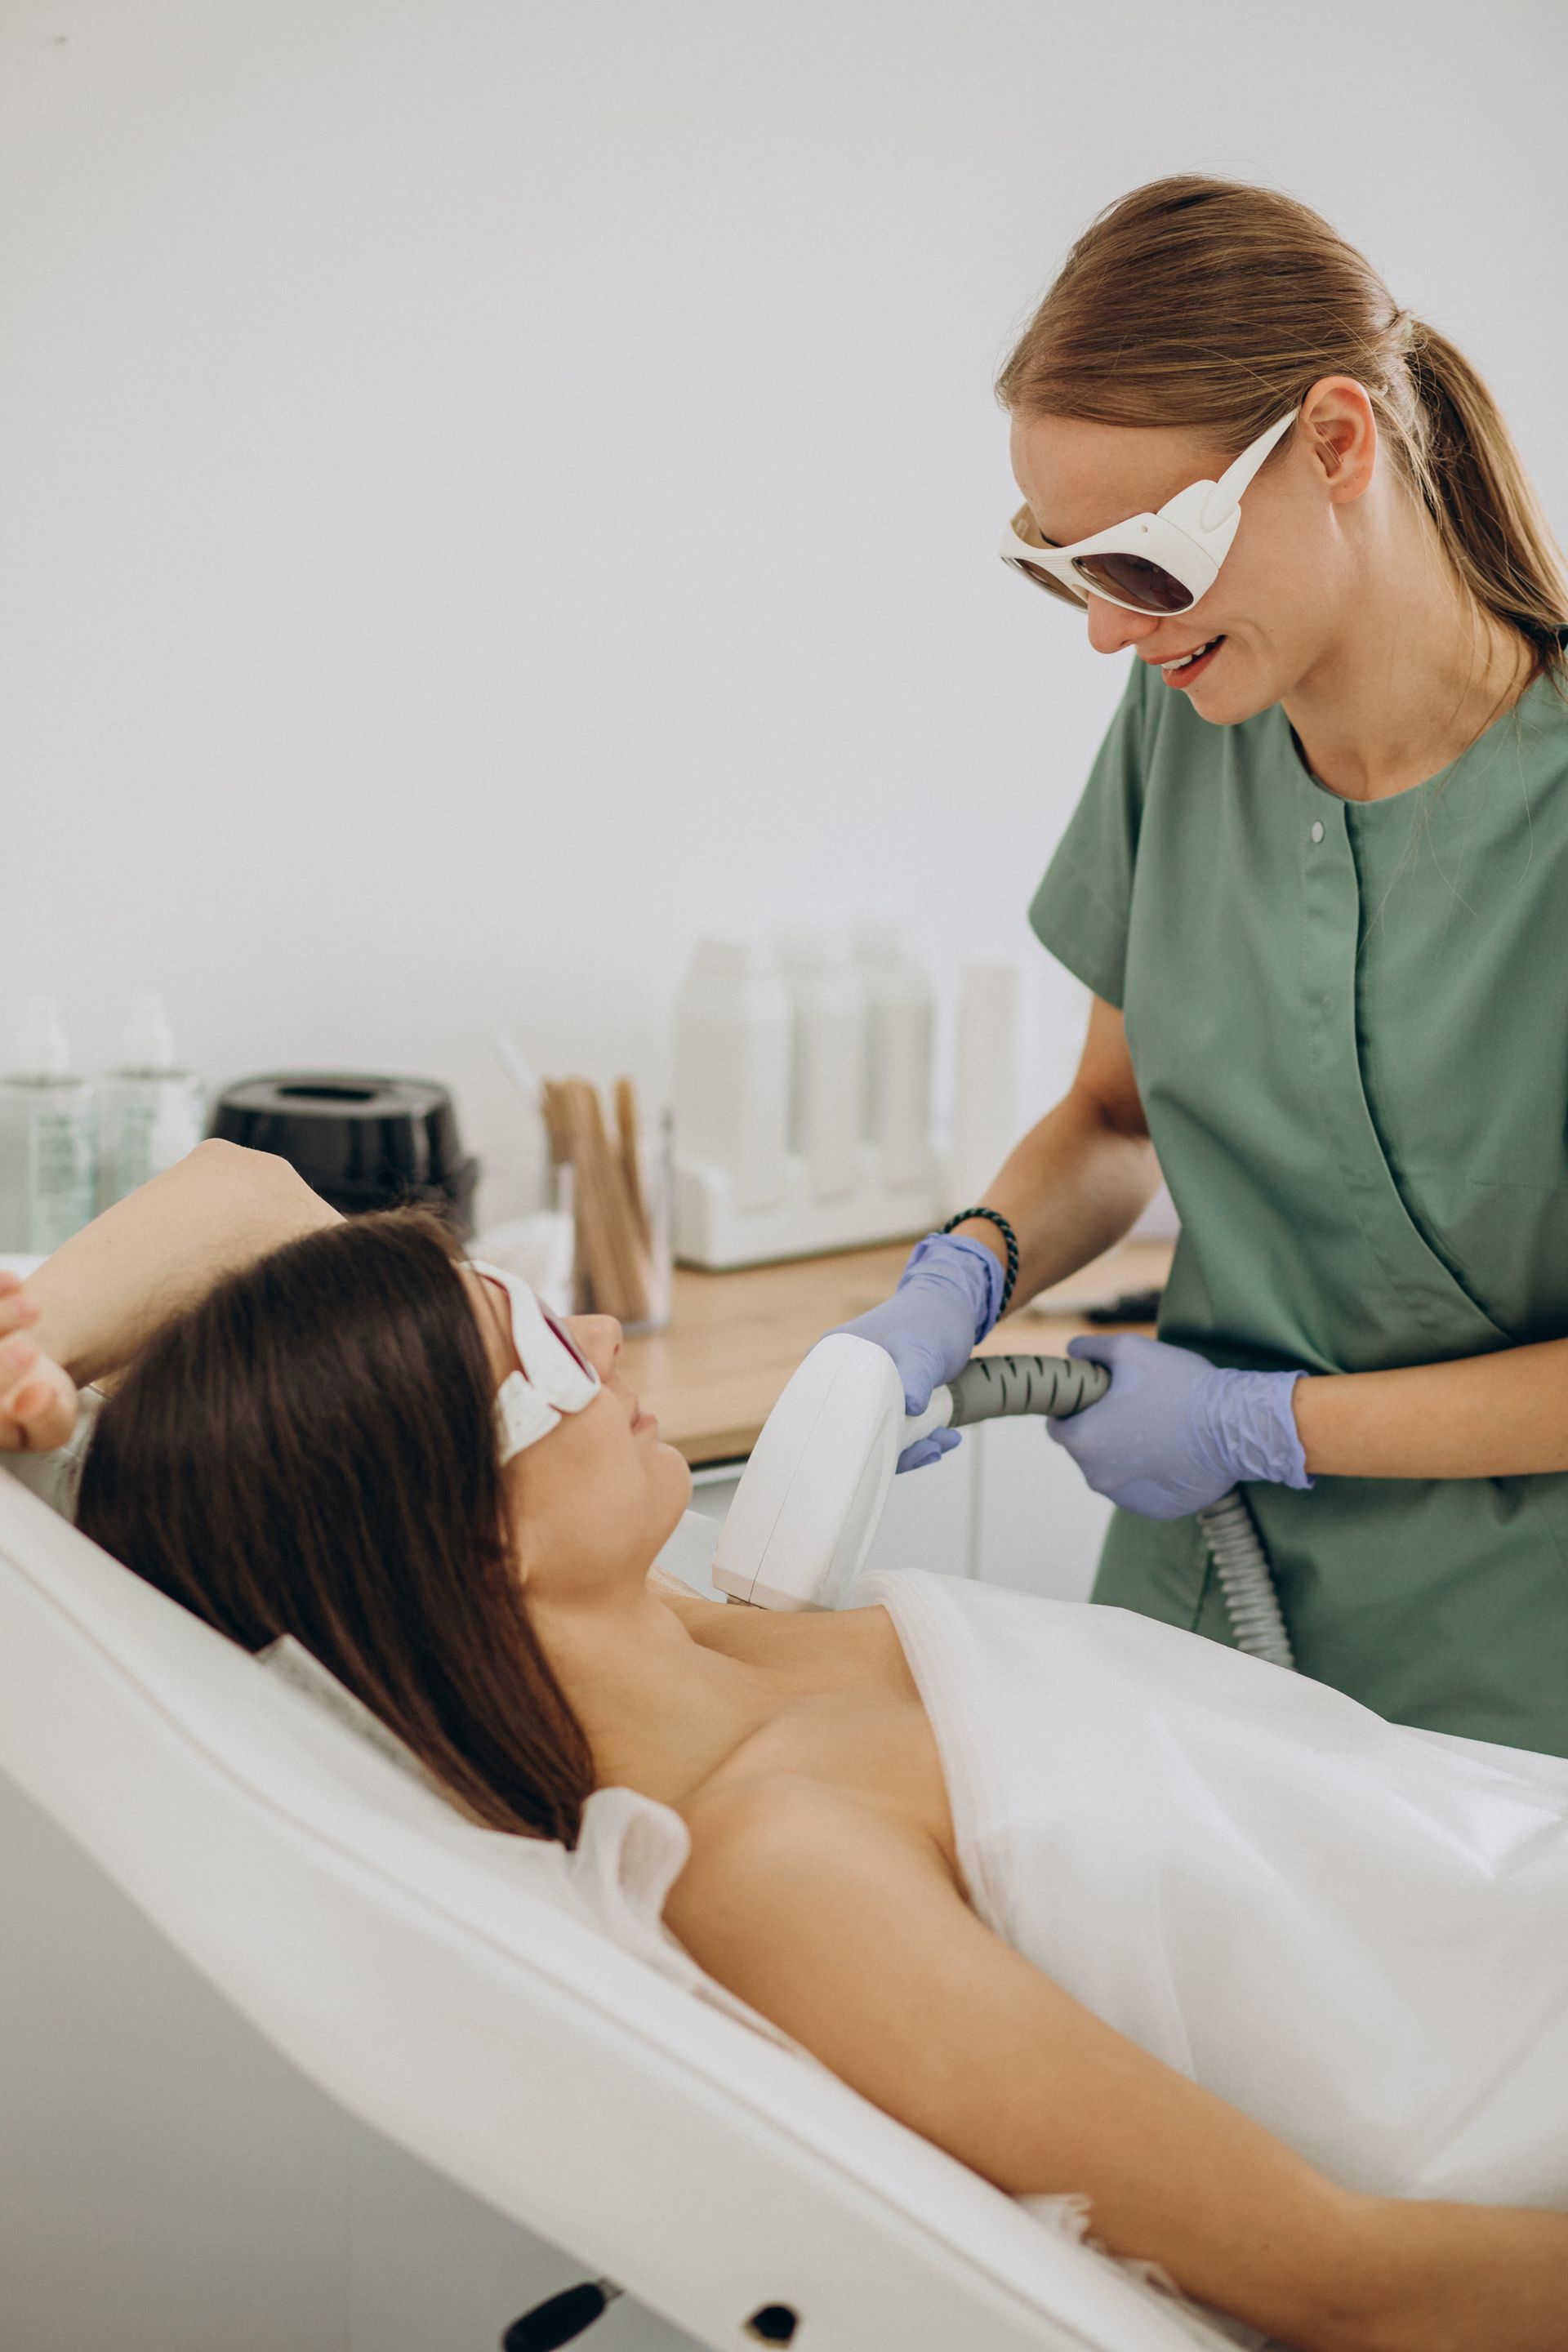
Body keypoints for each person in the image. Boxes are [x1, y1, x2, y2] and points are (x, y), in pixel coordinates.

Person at [3, 1141, 1566, 2352]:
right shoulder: (778, 1868)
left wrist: (36, 1333)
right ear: (465, 1545)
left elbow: (251, 1199)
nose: (608, 1337)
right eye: (543, 1357)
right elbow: (1360, 2289)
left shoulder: (705, 1625)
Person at [839, 175, 1568, 1757]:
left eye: (1145, 561)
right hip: (1204, 1595)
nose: (1109, 630)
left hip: (1517, 1666)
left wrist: (1263, 1423)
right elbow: (1113, 1121)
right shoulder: (1187, 721)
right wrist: (957, 1279)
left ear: (1337, 442)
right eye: (1064, 565)